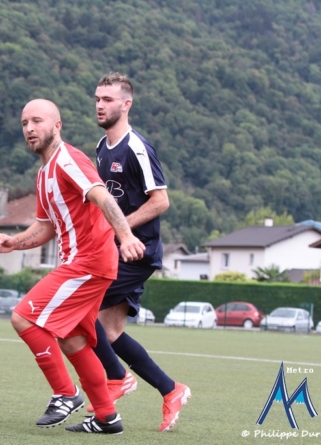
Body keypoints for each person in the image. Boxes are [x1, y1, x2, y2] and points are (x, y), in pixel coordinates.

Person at [0, 99, 145, 435]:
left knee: (23, 317)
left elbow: (103, 196)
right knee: (73, 339)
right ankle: (107, 417)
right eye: (24, 123)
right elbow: (46, 226)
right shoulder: (44, 173)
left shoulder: (68, 159)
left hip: (88, 262)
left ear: (57, 125)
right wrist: (14, 243)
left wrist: (127, 235)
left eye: (37, 121)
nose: (30, 128)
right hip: (86, 264)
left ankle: (66, 393)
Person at [87, 72, 191, 432]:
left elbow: (160, 201)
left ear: (126, 104)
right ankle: (170, 389)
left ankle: (116, 380)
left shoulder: (137, 148)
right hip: (116, 251)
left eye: (108, 99)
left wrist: (121, 229)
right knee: (110, 333)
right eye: (98, 98)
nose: (100, 105)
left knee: (79, 311)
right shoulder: (102, 148)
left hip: (136, 253)